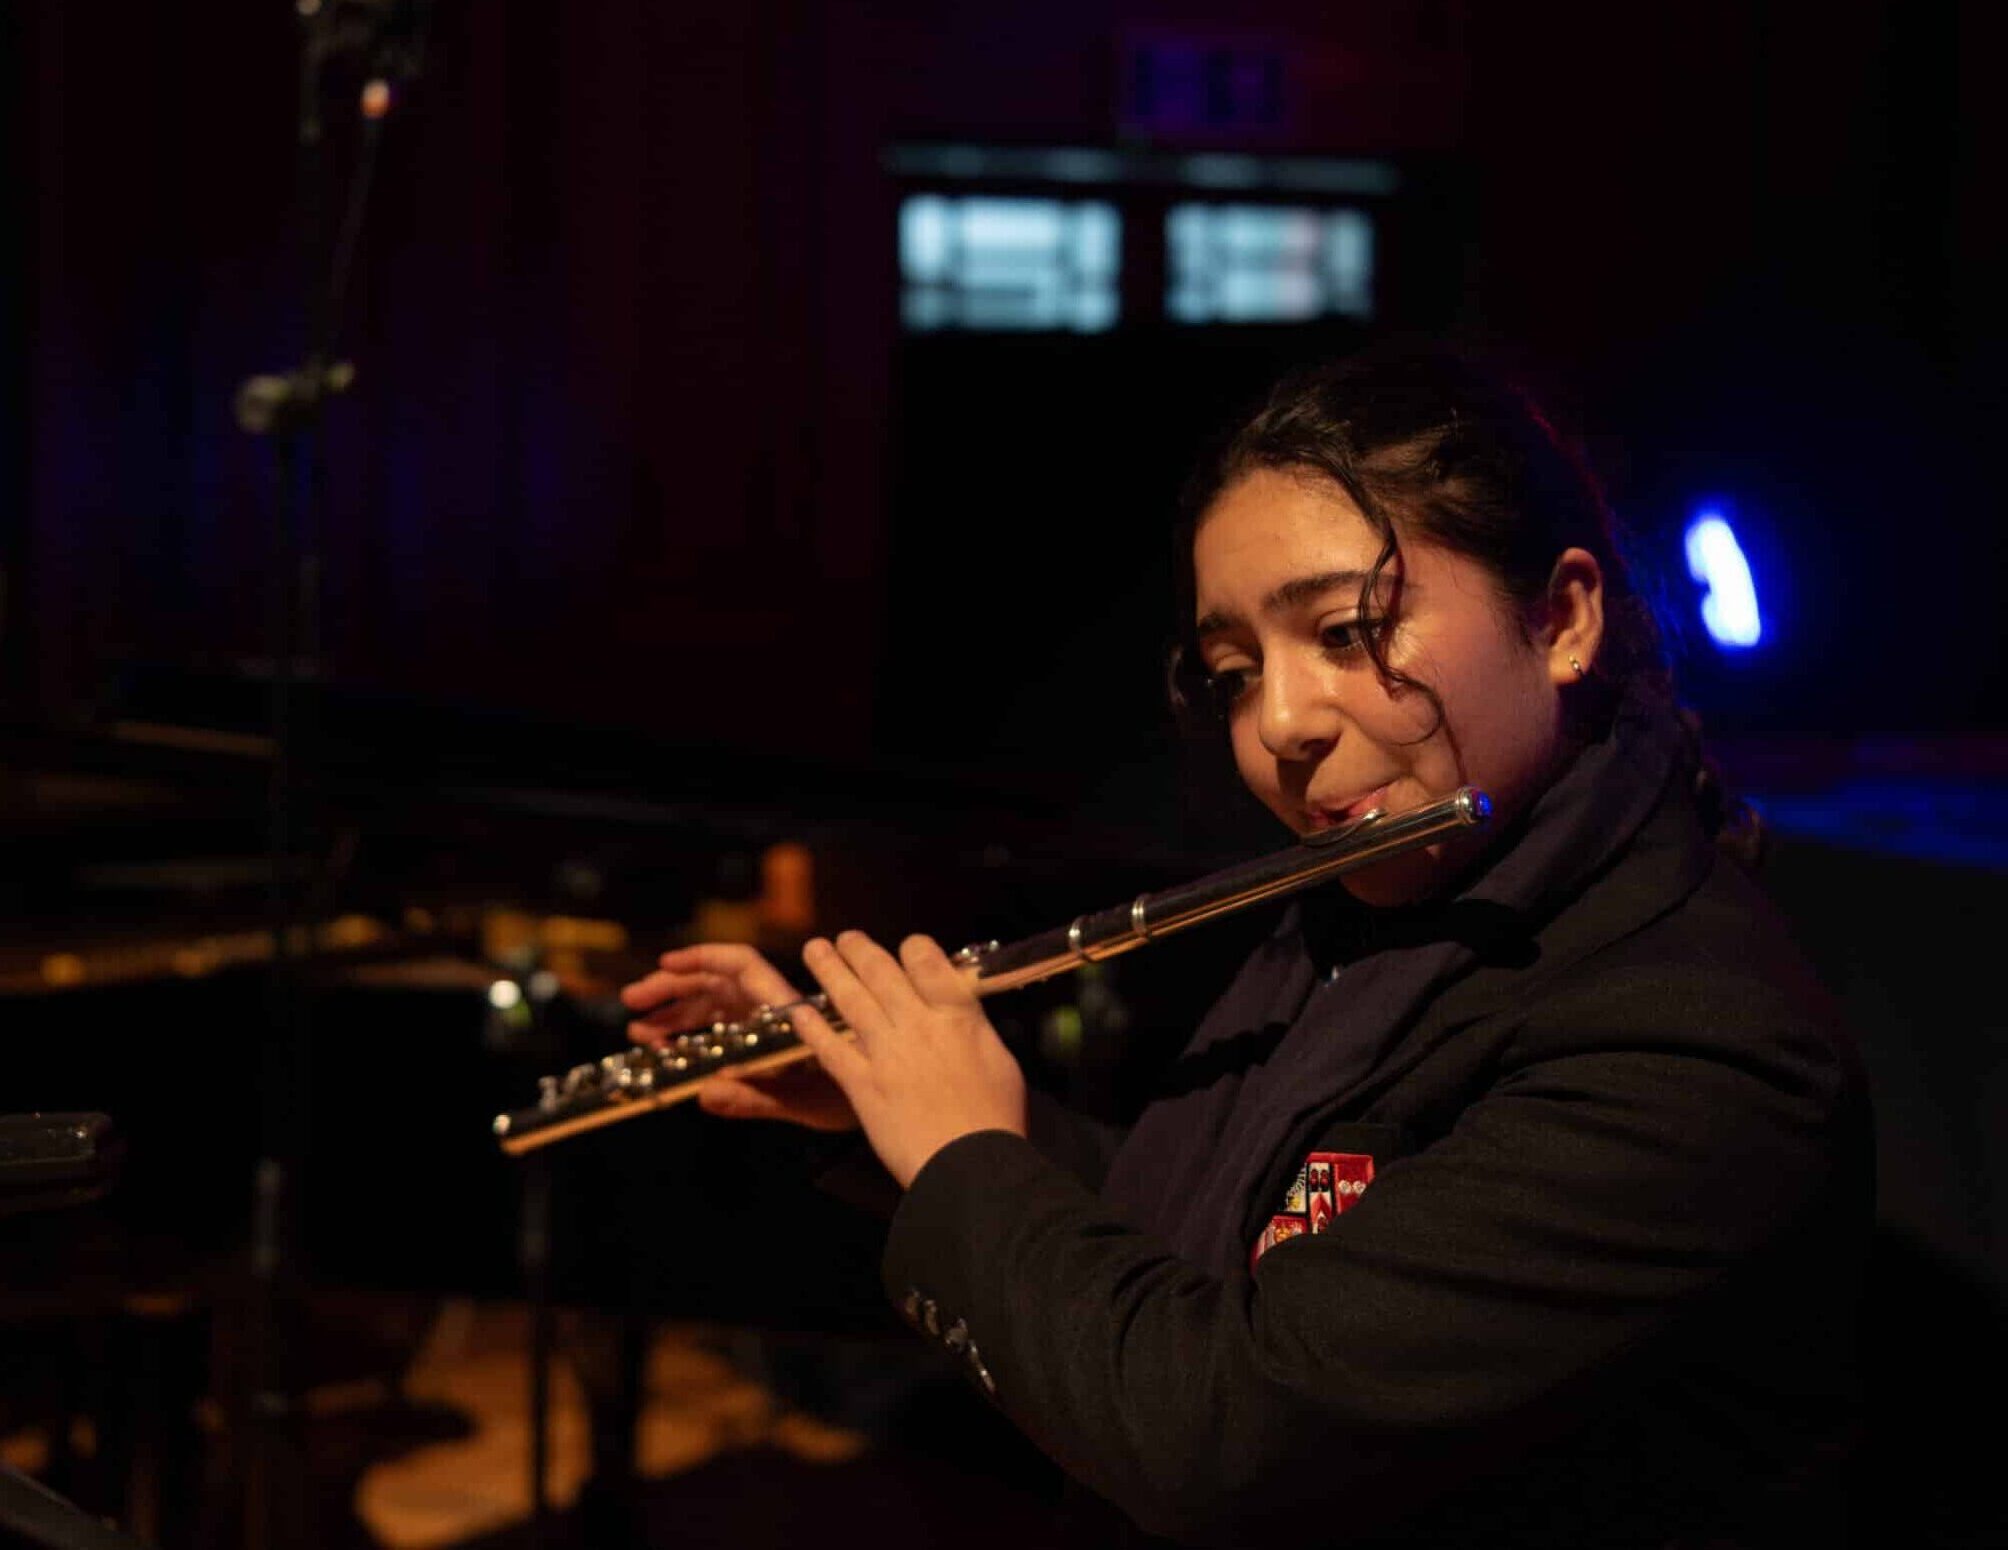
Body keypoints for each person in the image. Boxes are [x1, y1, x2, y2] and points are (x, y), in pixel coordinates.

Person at [620, 344, 1871, 1547]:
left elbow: (1221, 1433)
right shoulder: (1379, 906)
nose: (1277, 723)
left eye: (1345, 632)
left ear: (1559, 619)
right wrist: (886, 1105)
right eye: (1232, 669)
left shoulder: (1691, 1044)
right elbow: (1195, 1237)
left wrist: (964, 1153)